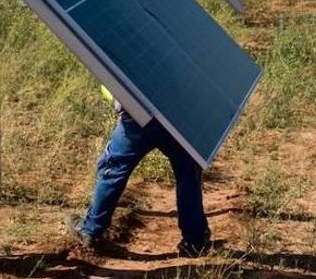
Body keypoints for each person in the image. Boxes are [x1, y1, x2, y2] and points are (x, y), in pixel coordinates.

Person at [68, 88, 212, 256]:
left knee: (113, 168)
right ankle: (195, 240)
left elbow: (112, 83)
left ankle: (91, 231)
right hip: (177, 115)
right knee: (188, 172)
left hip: (137, 116)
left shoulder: (126, 60)